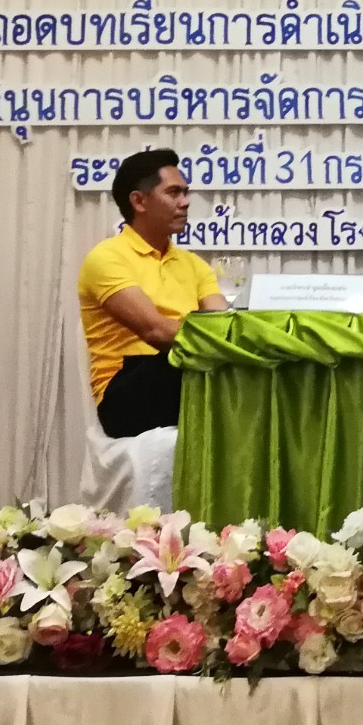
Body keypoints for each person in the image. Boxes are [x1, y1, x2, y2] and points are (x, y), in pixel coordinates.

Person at [75, 148, 227, 508]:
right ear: (139, 201)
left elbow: (223, 325)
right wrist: (223, 340)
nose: (185, 202)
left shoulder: (193, 264)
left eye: (186, 192)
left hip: (181, 374)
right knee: (196, 368)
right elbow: (156, 332)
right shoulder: (106, 258)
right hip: (126, 391)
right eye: (174, 192)